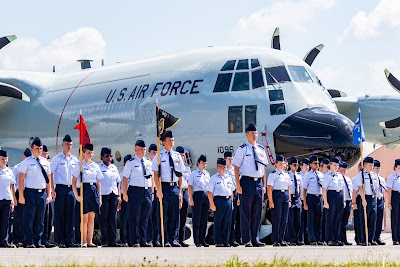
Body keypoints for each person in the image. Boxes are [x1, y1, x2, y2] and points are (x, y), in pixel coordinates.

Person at [232, 123, 268, 247]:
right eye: (252, 133)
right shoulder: (242, 148)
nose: (254, 135)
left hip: (258, 183)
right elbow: (236, 167)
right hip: (246, 182)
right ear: (247, 135)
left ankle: (255, 238)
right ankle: (246, 239)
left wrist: (263, 185)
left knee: (257, 213)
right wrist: (238, 185)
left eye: (256, 133)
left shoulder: (261, 149)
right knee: (245, 212)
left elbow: (263, 169)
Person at [152, 131, 185, 247]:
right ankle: (164, 239)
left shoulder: (177, 156)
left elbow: (180, 175)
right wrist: (158, 190)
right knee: (163, 215)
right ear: (164, 142)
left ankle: (174, 239)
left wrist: (180, 191)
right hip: (164, 187)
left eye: (173, 140)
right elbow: (155, 175)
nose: (171, 142)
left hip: (174, 187)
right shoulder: (159, 156)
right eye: (169, 140)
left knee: (175, 215)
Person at [18, 137, 52, 248]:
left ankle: (38, 241)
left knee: (40, 219)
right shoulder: (27, 162)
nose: (39, 150)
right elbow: (21, 180)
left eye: (41, 148)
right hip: (30, 192)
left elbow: (48, 180)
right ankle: (28, 241)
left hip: (42, 193)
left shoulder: (45, 163)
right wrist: (21, 196)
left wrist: (49, 194)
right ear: (32, 149)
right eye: (37, 148)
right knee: (29, 218)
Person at [122, 140, 153, 247]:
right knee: (134, 217)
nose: (143, 151)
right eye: (141, 149)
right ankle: (134, 240)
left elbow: (152, 178)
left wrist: (152, 192)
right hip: (135, 191)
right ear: (135, 150)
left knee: (145, 218)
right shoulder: (131, 163)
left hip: (147, 191)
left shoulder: (149, 162)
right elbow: (125, 179)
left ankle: (143, 240)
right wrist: (124, 193)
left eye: (144, 149)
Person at [50, 134, 79, 248]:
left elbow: (76, 175)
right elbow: (51, 174)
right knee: (60, 215)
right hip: (60, 188)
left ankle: (69, 239)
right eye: (67, 144)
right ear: (62, 145)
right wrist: (52, 189)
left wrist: (76, 190)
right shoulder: (57, 159)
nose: (69, 146)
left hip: (71, 189)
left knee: (70, 215)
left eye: (71, 144)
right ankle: (60, 240)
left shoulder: (75, 159)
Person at [72, 143, 103, 247]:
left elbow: (98, 183)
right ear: (83, 153)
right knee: (84, 218)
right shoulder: (80, 165)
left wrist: (100, 197)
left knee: (91, 218)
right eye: (88, 152)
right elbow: (73, 182)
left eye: (92, 152)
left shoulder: (95, 166)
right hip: (84, 190)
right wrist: (77, 196)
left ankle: (90, 241)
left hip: (93, 191)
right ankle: (83, 241)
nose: (90, 154)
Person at [207, 158, 235, 247]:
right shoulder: (214, 178)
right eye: (221, 167)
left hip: (228, 201)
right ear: (217, 167)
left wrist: (232, 202)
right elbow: (210, 192)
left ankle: (225, 241)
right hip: (219, 200)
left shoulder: (229, 177)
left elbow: (232, 191)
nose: (223, 169)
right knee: (218, 221)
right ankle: (218, 241)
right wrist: (212, 204)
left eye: (224, 167)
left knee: (227, 222)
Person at [99, 147, 121, 247]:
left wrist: (119, 196)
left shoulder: (114, 168)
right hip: (104, 194)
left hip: (113, 194)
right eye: (106, 156)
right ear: (102, 157)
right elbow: (97, 183)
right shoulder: (99, 168)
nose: (109, 158)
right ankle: (104, 240)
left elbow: (118, 182)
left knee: (113, 218)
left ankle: (113, 240)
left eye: (110, 156)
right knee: (104, 218)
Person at [267, 155, 291, 246]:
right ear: (276, 164)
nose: (281, 165)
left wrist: (289, 200)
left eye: (283, 164)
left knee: (284, 219)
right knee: (277, 218)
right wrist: (271, 202)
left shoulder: (286, 175)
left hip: (284, 195)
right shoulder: (273, 175)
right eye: (280, 163)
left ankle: (281, 239)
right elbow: (269, 189)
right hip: (276, 195)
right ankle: (275, 240)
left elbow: (288, 188)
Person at [355, 156, 379, 246]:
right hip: (365, 198)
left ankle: (371, 238)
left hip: (372, 198)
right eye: (370, 165)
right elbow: (360, 188)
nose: (371, 167)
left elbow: (376, 188)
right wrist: (363, 199)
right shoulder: (361, 175)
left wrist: (375, 198)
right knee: (364, 219)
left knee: (373, 219)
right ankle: (364, 239)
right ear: (364, 165)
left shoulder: (374, 175)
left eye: (372, 165)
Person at [322, 157, 345, 246]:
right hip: (331, 196)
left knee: (338, 219)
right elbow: (324, 190)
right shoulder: (327, 176)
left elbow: (342, 188)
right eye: (335, 165)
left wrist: (343, 200)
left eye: (337, 165)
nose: (336, 167)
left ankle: (337, 238)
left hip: (339, 196)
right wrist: (326, 202)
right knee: (330, 218)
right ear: (330, 165)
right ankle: (330, 239)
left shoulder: (339, 175)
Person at [188, 155, 210, 247]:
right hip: (197, 195)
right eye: (202, 163)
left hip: (206, 196)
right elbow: (190, 186)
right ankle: (196, 240)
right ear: (198, 163)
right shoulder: (194, 173)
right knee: (197, 219)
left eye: (205, 163)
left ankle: (202, 239)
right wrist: (191, 199)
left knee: (204, 219)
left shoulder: (207, 174)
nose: (204, 165)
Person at [12, 148, 31, 247]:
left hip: (28, 192)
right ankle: (17, 238)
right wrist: (16, 196)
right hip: (18, 192)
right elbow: (14, 182)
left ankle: (25, 238)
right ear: (22, 157)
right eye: (25, 156)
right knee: (18, 217)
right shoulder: (17, 168)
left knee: (27, 217)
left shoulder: (31, 166)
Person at [303, 155, 324, 246]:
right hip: (311, 197)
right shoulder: (308, 175)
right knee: (311, 219)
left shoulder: (321, 174)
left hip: (319, 197)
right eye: (315, 163)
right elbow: (304, 189)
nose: (317, 165)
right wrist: (305, 203)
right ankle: (312, 239)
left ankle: (318, 238)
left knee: (319, 218)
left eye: (318, 163)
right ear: (311, 164)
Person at [0, 150, 17, 247]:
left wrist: (13, 200)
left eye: (6, 159)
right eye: (2, 159)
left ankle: (4, 241)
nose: (4, 161)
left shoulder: (9, 171)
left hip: (6, 199)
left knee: (5, 222)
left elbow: (12, 186)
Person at [146, 144, 161, 247]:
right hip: (149, 192)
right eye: (153, 152)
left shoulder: (159, 164)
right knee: (148, 217)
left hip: (157, 191)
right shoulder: (147, 164)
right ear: (149, 153)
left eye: (156, 152)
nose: (155, 154)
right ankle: (148, 238)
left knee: (157, 217)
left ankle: (156, 239)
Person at [176, 146, 191, 247]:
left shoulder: (187, 167)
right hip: (177, 191)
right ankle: (175, 238)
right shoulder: (175, 167)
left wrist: (189, 196)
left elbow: (189, 181)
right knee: (176, 217)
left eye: (183, 155)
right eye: (180, 155)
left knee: (183, 217)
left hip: (185, 192)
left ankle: (181, 239)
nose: (182, 157)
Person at [225, 151, 240, 247]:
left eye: (232, 159)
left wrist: (238, 197)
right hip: (227, 195)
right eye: (229, 159)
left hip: (235, 194)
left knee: (234, 219)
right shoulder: (224, 171)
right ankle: (227, 239)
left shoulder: (234, 170)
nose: (231, 161)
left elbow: (237, 184)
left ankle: (233, 239)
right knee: (228, 219)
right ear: (225, 159)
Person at [286, 156, 302, 246]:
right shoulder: (287, 175)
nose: (296, 167)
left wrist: (299, 198)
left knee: (297, 220)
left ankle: (296, 238)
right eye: (294, 165)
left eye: (297, 165)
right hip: (290, 198)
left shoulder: (299, 176)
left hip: (297, 198)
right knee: (290, 220)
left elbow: (300, 188)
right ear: (290, 165)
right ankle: (291, 239)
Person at [338, 161, 353, 245]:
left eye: (345, 170)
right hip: (340, 202)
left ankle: (344, 239)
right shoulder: (338, 178)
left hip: (348, 202)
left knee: (345, 222)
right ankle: (339, 238)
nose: (343, 172)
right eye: (342, 170)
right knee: (339, 221)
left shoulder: (348, 179)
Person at [386, 159, 400, 245]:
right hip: (395, 196)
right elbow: (389, 190)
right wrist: (389, 202)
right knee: (395, 218)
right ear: (395, 168)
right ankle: (395, 238)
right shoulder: (392, 177)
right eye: (399, 167)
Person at [119, 154, 132, 247]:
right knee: (124, 220)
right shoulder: (121, 175)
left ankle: (131, 239)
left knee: (132, 219)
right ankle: (124, 240)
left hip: (133, 197)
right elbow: (119, 188)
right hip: (124, 197)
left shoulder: (134, 175)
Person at [373, 160, 386, 245]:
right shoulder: (371, 177)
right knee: (373, 219)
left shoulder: (381, 178)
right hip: (374, 199)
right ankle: (372, 237)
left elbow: (383, 190)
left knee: (379, 219)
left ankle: (377, 236)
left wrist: (384, 201)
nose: (377, 169)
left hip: (380, 199)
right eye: (376, 168)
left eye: (378, 168)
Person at [299, 158, 310, 245]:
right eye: (305, 165)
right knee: (301, 221)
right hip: (301, 200)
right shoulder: (299, 175)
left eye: (308, 165)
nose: (307, 167)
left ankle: (308, 238)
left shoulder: (310, 175)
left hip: (309, 200)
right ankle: (301, 238)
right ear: (301, 166)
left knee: (308, 220)